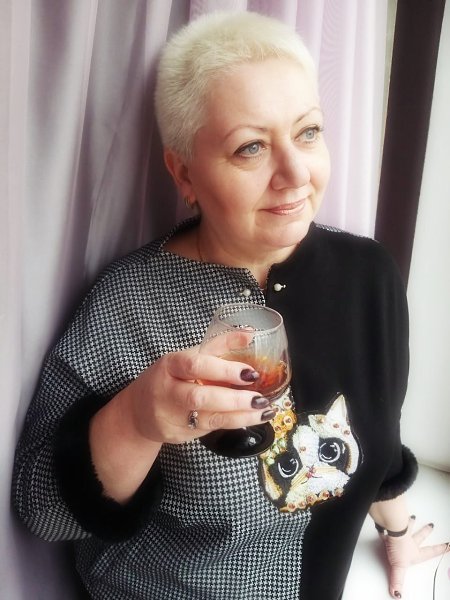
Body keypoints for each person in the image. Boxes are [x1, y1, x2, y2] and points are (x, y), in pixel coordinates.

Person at [12, 11, 447, 600]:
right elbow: (40, 509)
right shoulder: (127, 306)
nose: (294, 174)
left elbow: (378, 432)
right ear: (184, 173)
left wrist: (396, 534)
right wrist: (138, 420)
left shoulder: (368, 273)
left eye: (308, 132)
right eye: (251, 147)